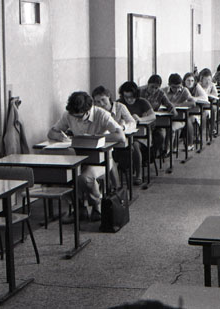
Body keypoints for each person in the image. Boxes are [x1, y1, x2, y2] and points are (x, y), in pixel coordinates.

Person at [47, 91, 126, 221]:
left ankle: (97, 206)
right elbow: (51, 132)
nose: (77, 120)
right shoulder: (68, 115)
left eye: (80, 117)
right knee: (63, 177)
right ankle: (79, 209)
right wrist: (59, 136)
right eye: (75, 117)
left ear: (89, 111)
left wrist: (95, 137)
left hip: (101, 160)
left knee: (84, 178)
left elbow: (120, 136)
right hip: (78, 159)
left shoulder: (102, 115)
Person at [117, 81, 156, 186]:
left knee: (134, 145)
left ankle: (139, 174)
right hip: (125, 135)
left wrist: (140, 119)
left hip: (141, 135)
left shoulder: (142, 102)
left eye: (131, 97)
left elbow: (153, 116)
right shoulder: (119, 103)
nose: (129, 100)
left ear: (136, 95)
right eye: (126, 97)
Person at [140, 74, 176, 157]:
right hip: (142, 119)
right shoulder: (140, 92)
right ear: (148, 84)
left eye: (156, 88)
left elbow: (168, 104)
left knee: (161, 136)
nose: (154, 90)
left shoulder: (160, 93)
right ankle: (145, 156)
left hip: (155, 121)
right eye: (152, 87)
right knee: (144, 137)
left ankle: (152, 155)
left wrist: (172, 109)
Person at [164, 73, 196, 151]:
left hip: (179, 117)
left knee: (171, 128)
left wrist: (177, 105)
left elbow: (193, 103)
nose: (176, 89)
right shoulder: (164, 91)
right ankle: (167, 149)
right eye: (174, 87)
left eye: (178, 87)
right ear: (169, 84)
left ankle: (168, 149)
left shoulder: (184, 90)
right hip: (166, 117)